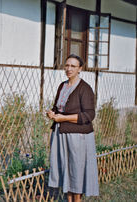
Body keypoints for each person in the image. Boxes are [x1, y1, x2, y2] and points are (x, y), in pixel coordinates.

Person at [47, 54, 99, 202]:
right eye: (67, 65)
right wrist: (53, 114)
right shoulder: (63, 86)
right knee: (66, 170)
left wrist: (63, 118)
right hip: (61, 134)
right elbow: (58, 108)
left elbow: (89, 115)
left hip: (78, 135)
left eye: (73, 66)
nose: (69, 69)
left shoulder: (85, 89)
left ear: (79, 69)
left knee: (77, 171)